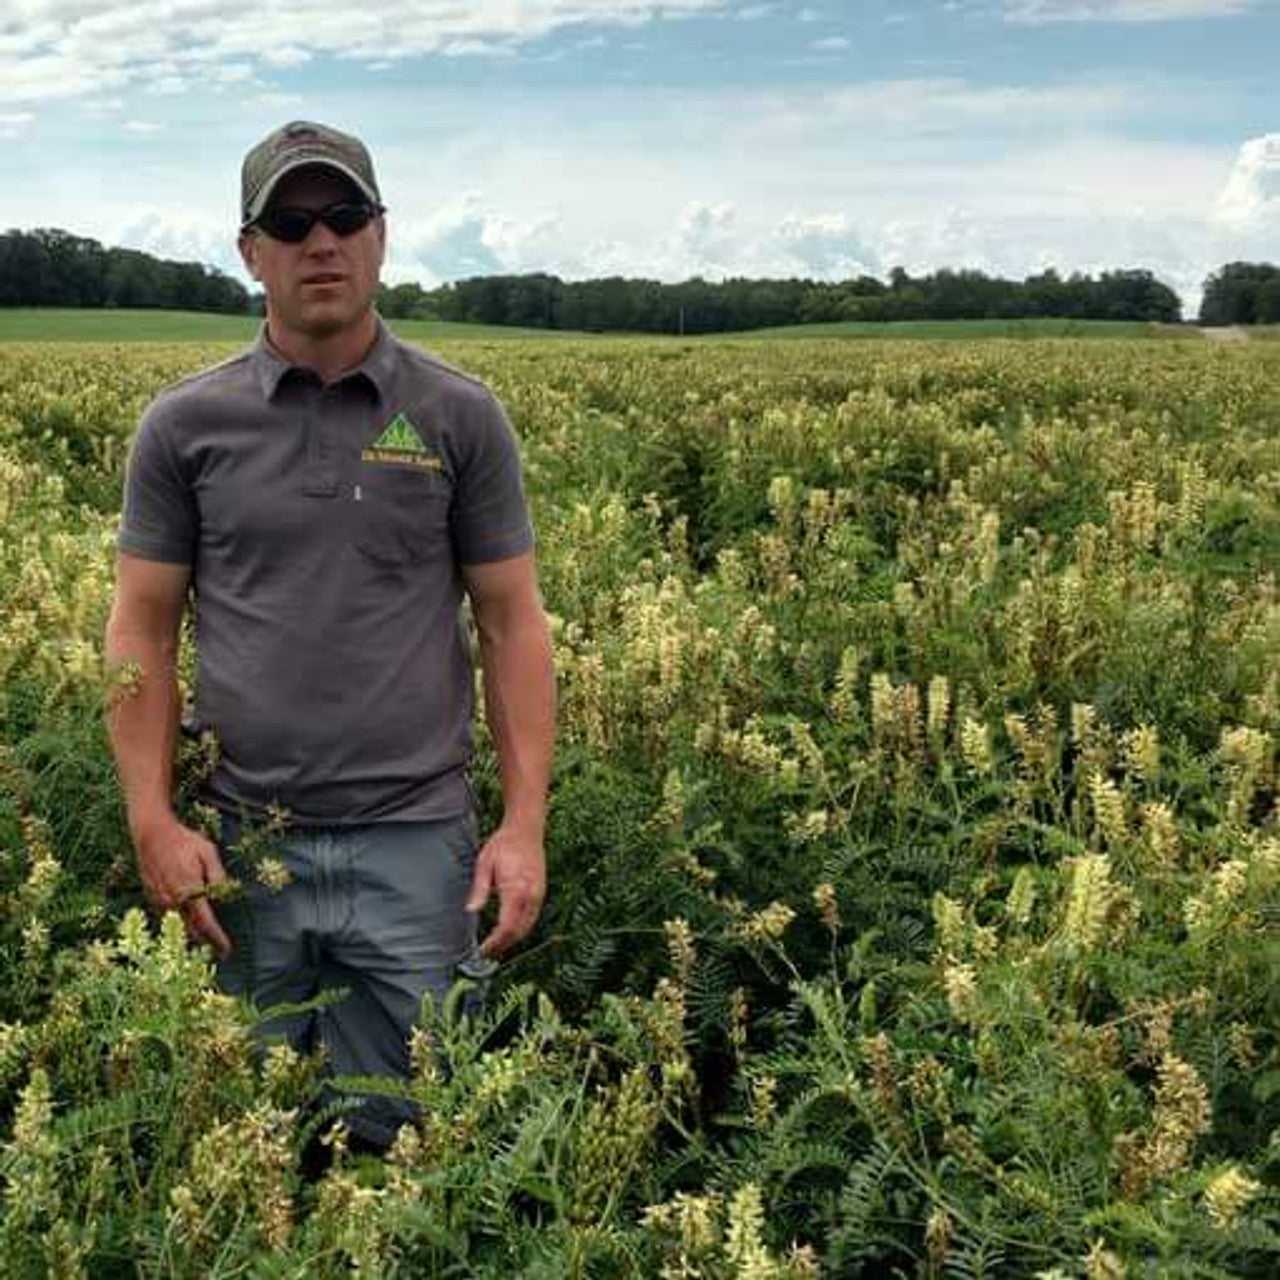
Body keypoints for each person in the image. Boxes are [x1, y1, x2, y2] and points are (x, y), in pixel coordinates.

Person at [103, 120, 556, 1151]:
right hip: (244, 851)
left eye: (345, 216)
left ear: (382, 236)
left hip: (417, 842)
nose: (323, 242)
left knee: (414, 1149)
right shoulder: (184, 424)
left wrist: (521, 823)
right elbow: (139, 627)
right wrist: (152, 819)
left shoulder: (457, 413)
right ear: (249, 250)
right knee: (246, 1145)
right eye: (292, 221)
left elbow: (511, 622)